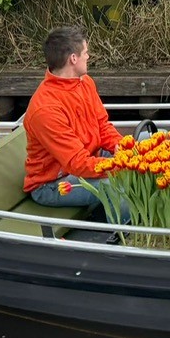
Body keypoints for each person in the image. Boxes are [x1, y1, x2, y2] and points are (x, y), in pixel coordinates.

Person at [23, 25, 122, 211]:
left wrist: (124, 146)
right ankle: (128, 234)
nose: (88, 56)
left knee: (149, 144)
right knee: (117, 186)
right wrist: (121, 165)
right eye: (86, 52)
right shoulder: (45, 109)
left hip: (90, 160)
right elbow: (77, 163)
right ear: (73, 59)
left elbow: (102, 125)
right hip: (53, 184)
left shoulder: (85, 83)